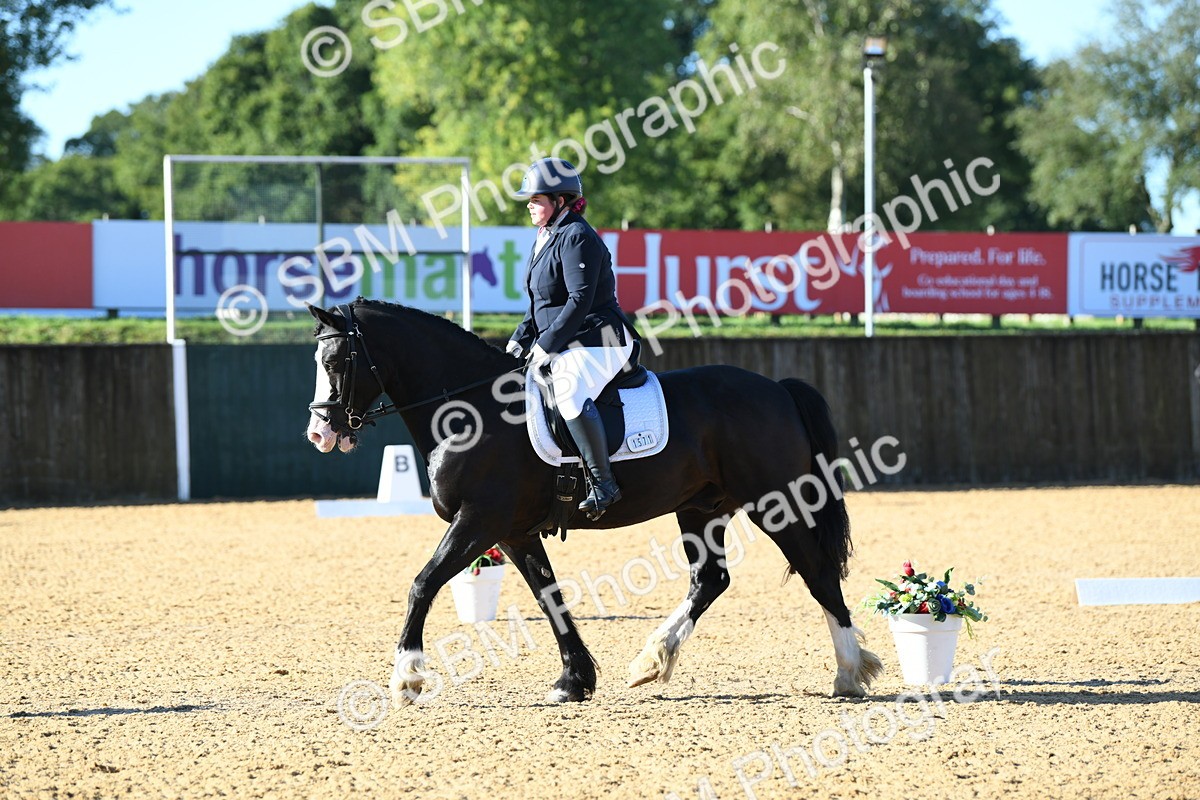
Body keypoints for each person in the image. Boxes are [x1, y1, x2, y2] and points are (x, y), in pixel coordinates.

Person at [507, 158, 639, 519]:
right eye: (529, 199)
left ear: (561, 201)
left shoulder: (577, 236)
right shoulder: (546, 238)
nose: (529, 205)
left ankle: (604, 483)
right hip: (568, 338)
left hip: (603, 337)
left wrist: (546, 345)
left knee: (567, 389)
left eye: (536, 199)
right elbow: (541, 304)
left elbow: (579, 300)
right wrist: (520, 339)